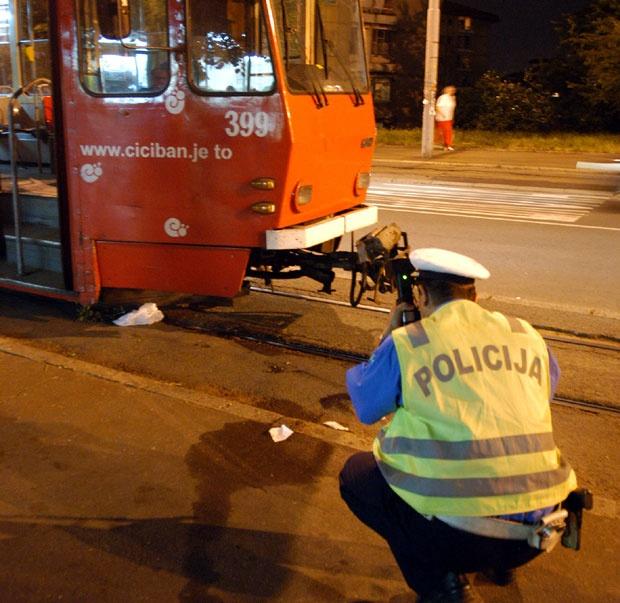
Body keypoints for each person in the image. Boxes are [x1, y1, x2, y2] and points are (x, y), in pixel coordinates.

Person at [339, 248, 577, 602]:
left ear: (420, 295)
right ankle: (500, 567)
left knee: (356, 477)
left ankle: (442, 585)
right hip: (540, 531)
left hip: (461, 537)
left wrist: (391, 333)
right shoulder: (524, 333)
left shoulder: (411, 342)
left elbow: (366, 405)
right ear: (475, 296)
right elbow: (542, 393)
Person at [435, 86, 457, 150]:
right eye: (451, 90)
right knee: (447, 132)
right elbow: (437, 107)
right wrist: (443, 114)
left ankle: (446, 145)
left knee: (446, 132)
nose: (453, 91)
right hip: (443, 118)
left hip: (448, 118)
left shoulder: (451, 98)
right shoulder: (443, 97)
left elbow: (451, 109)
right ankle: (447, 145)